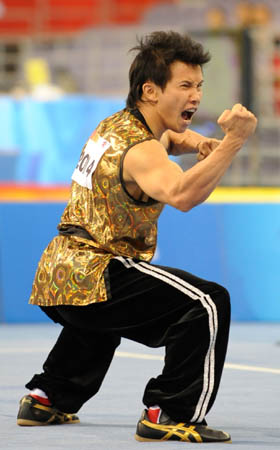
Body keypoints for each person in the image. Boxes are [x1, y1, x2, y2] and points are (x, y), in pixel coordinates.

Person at [17, 30, 257, 443]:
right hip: (96, 268)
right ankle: (169, 412)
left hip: (58, 274)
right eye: (185, 86)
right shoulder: (142, 151)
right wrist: (232, 143)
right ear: (151, 90)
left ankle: (47, 398)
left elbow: (173, 138)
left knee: (103, 317)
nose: (196, 95)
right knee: (206, 302)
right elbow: (183, 195)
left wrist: (201, 143)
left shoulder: (119, 123)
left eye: (198, 85)